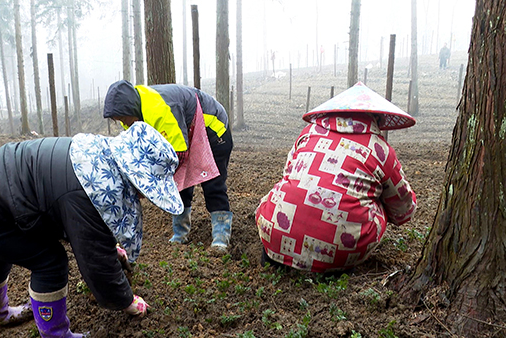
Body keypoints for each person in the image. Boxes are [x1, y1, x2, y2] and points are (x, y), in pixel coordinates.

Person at [0, 122, 183, 337]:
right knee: (50, 261)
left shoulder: (93, 159)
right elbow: (95, 261)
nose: (142, 195)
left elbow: (66, 211)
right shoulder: (87, 191)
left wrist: (109, 245)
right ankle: (56, 334)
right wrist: (126, 300)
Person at [255, 82, 417, 273]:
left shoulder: (308, 134)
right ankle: (334, 262)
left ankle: (280, 255)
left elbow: (288, 172)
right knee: (382, 202)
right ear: (375, 119)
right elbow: (403, 210)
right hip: (338, 250)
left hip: (274, 235)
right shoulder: (380, 150)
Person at [103, 80, 234, 252]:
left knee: (213, 183)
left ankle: (221, 236)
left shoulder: (159, 110)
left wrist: (152, 185)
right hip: (186, 132)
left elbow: (178, 154)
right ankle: (180, 233)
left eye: (124, 119)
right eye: (119, 120)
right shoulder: (129, 112)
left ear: (130, 108)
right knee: (179, 186)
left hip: (213, 129)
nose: (124, 124)